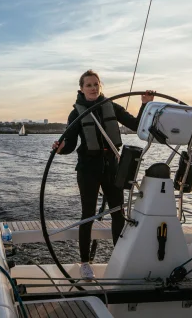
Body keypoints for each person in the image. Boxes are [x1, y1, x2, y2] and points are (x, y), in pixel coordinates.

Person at [52, 69, 154, 280]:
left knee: (118, 213)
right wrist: (60, 148)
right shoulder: (76, 113)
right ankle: (85, 263)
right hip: (88, 169)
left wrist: (145, 104)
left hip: (112, 166)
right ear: (81, 89)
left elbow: (136, 125)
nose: (93, 88)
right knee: (88, 215)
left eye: (96, 84)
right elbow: (70, 144)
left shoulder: (111, 106)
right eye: (88, 85)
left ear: (100, 86)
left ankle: (119, 257)